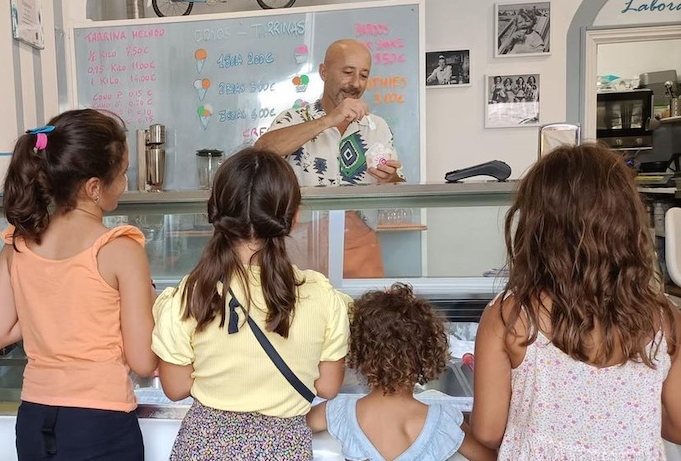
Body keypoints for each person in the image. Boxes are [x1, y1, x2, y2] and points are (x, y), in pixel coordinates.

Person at [471, 144, 681, 459]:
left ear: (536, 226)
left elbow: (488, 431)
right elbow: (678, 426)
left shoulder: (511, 316)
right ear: (626, 223)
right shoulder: (664, 318)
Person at [0, 109, 157, 461]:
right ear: (93, 187)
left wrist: (43, 311)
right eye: (122, 175)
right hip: (100, 423)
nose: (124, 184)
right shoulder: (120, 248)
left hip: (33, 418)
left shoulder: (19, 242)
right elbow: (143, 361)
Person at [152, 148, 351, 460]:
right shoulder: (320, 296)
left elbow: (175, 387)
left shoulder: (192, 293)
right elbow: (327, 386)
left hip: (204, 446)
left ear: (215, 214)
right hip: (284, 448)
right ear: (293, 217)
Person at [255, 39, 403, 278]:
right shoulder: (295, 117)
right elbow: (262, 151)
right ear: (324, 72)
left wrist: (391, 178)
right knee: (300, 311)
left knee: (363, 313)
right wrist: (328, 120)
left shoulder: (377, 127)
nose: (356, 83)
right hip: (299, 241)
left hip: (359, 243)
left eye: (364, 75)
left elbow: (396, 191)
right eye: (347, 72)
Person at [307, 283, 496, 461]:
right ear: (427, 353)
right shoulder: (444, 421)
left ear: (358, 350)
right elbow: (492, 457)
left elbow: (293, 426)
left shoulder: (338, 412)